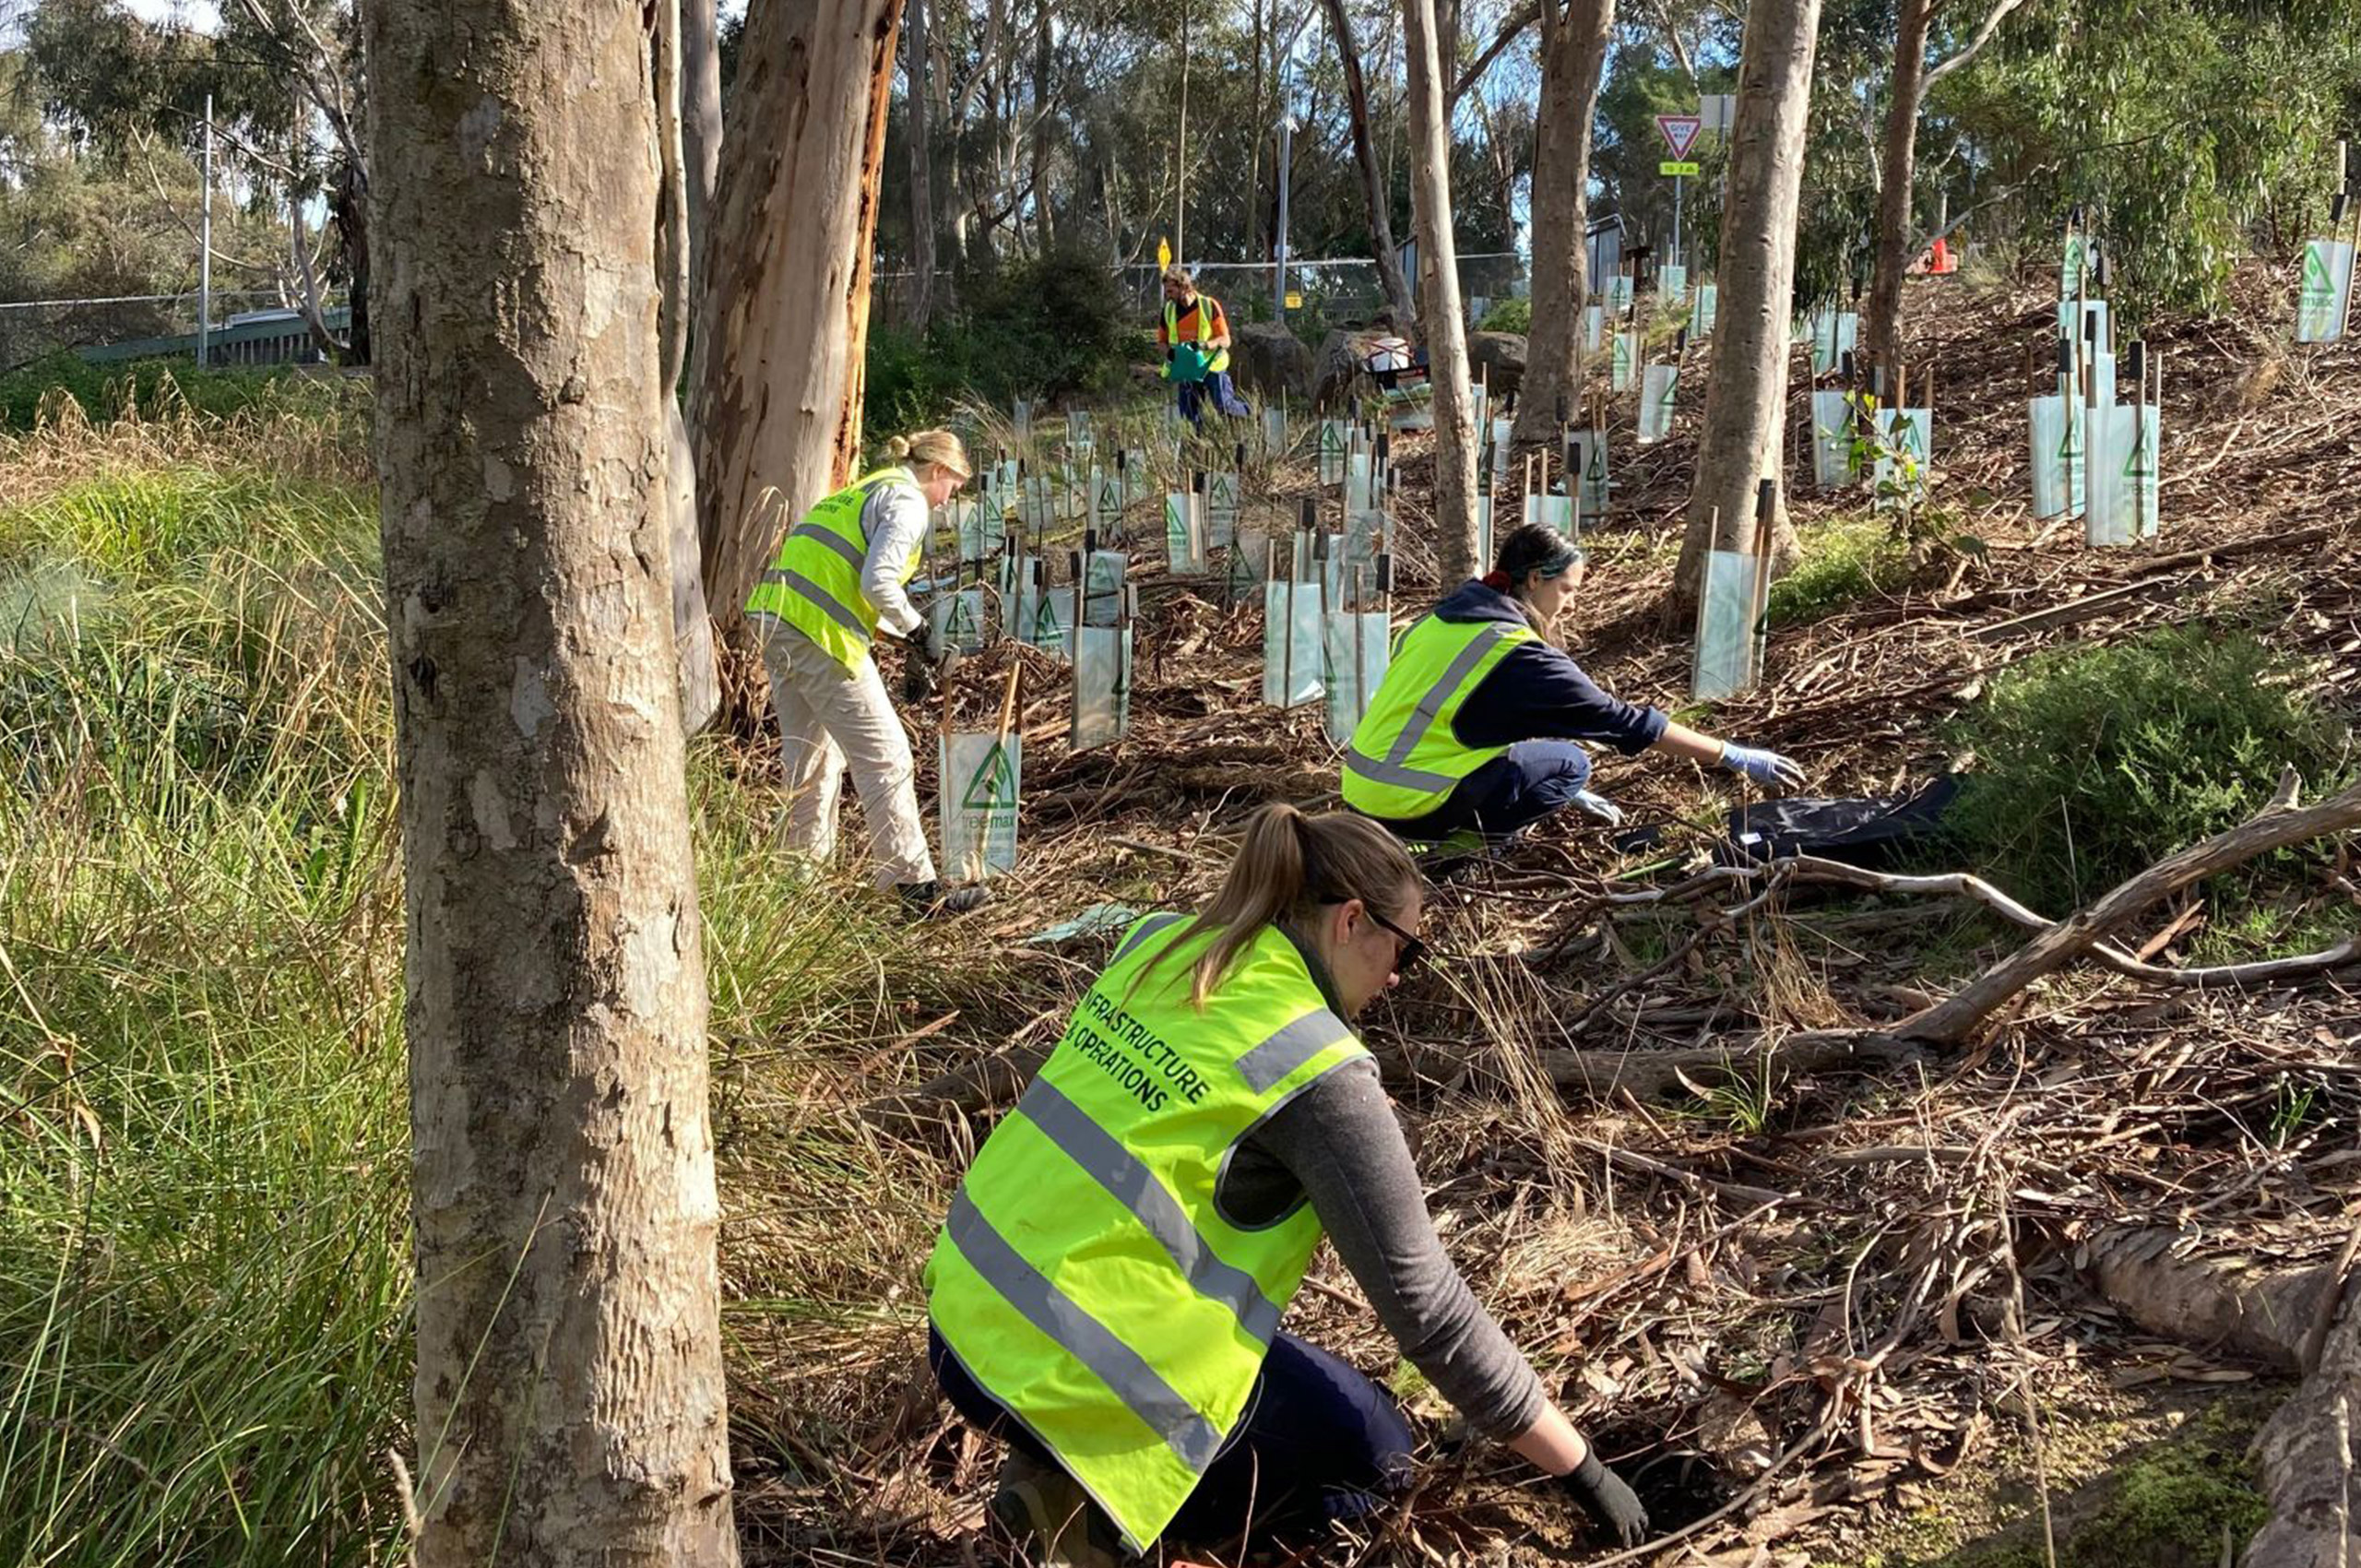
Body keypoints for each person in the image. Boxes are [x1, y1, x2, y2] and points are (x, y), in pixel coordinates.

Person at [922, 804, 1652, 1565]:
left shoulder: (1159, 945)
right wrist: (1583, 1468)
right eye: (1408, 948)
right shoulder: (1313, 1063)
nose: (1401, 976)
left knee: (1324, 1395)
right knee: (1375, 1456)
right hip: (1084, 1372)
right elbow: (1427, 1309)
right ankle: (1089, 1524)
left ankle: (1047, 1475)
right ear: (1351, 922)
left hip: (965, 1325)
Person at [1343, 523, 1805, 844]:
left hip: (1359, 794)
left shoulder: (1438, 621)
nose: (1570, 605)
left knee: (1543, 760)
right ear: (1535, 579)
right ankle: (1462, 849)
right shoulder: (1518, 653)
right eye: (1567, 590)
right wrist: (1733, 755)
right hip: (1411, 807)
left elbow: (1450, 720)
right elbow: (1623, 721)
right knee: (1569, 764)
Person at [743, 428, 987, 917]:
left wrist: (907, 645)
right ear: (937, 471)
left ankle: (798, 890)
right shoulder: (909, 501)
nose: (948, 501)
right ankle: (913, 888)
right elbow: (878, 582)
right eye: (953, 487)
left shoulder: (869, 487)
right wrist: (921, 632)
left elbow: (844, 580)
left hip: (775, 619)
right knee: (887, 756)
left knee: (810, 759)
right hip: (817, 633)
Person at [1158, 266, 1252, 428]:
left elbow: (1225, 340)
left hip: (1212, 366)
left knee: (1224, 406)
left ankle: (1250, 413)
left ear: (1184, 287)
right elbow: (1161, 342)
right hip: (1187, 370)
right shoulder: (1168, 311)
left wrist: (1204, 345)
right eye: (1166, 292)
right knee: (1189, 416)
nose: (1167, 296)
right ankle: (1197, 447)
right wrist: (1170, 354)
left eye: (1171, 291)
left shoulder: (1209, 305)